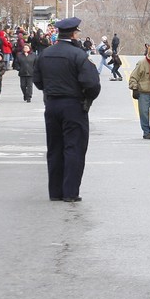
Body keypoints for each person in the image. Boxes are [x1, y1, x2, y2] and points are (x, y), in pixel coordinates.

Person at [32, 17, 101, 202]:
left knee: (54, 148)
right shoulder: (78, 55)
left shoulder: (45, 54)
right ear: (73, 34)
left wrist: (50, 90)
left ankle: (55, 192)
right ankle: (70, 192)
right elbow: (92, 83)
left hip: (52, 104)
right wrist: (87, 98)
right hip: (73, 105)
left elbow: (37, 80)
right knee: (74, 147)